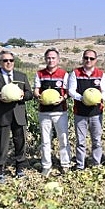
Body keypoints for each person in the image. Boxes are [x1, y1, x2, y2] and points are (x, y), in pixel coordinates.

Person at [0, 50, 33, 181]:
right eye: (5, 60)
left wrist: (23, 95)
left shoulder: (21, 76)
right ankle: (0, 171)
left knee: (20, 142)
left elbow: (30, 94)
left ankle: (19, 169)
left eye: (11, 60)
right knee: (1, 144)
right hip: (2, 115)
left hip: (19, 115)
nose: (8, 63)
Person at [33, 48, 72, 176]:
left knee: (63, 138)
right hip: (44, 112)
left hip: (60, 112)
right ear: (45, 59)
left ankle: (65, 164)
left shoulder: (64, 74)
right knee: (45, 140)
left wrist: (63, 98)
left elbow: (67, 92)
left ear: (58, 59)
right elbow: (36, 90)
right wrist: (39, 97)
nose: (51, 60)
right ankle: (46, 166)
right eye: (48, 58)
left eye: (53, 58)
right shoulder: (40, 74)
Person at [67, 49, 105, 170]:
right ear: (83, 59)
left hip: (96, 112)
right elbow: (71, 91)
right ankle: (80, 165)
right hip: (80, 112)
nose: (88, 60)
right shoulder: (75, 73)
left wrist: (100, 98)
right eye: (86, 58)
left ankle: (96, 164)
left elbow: (104, 91)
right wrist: (82, 98)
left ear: (96, 60)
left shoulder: (101, 74)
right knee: (80, 141)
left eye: (91, 58)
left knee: (97, 140)